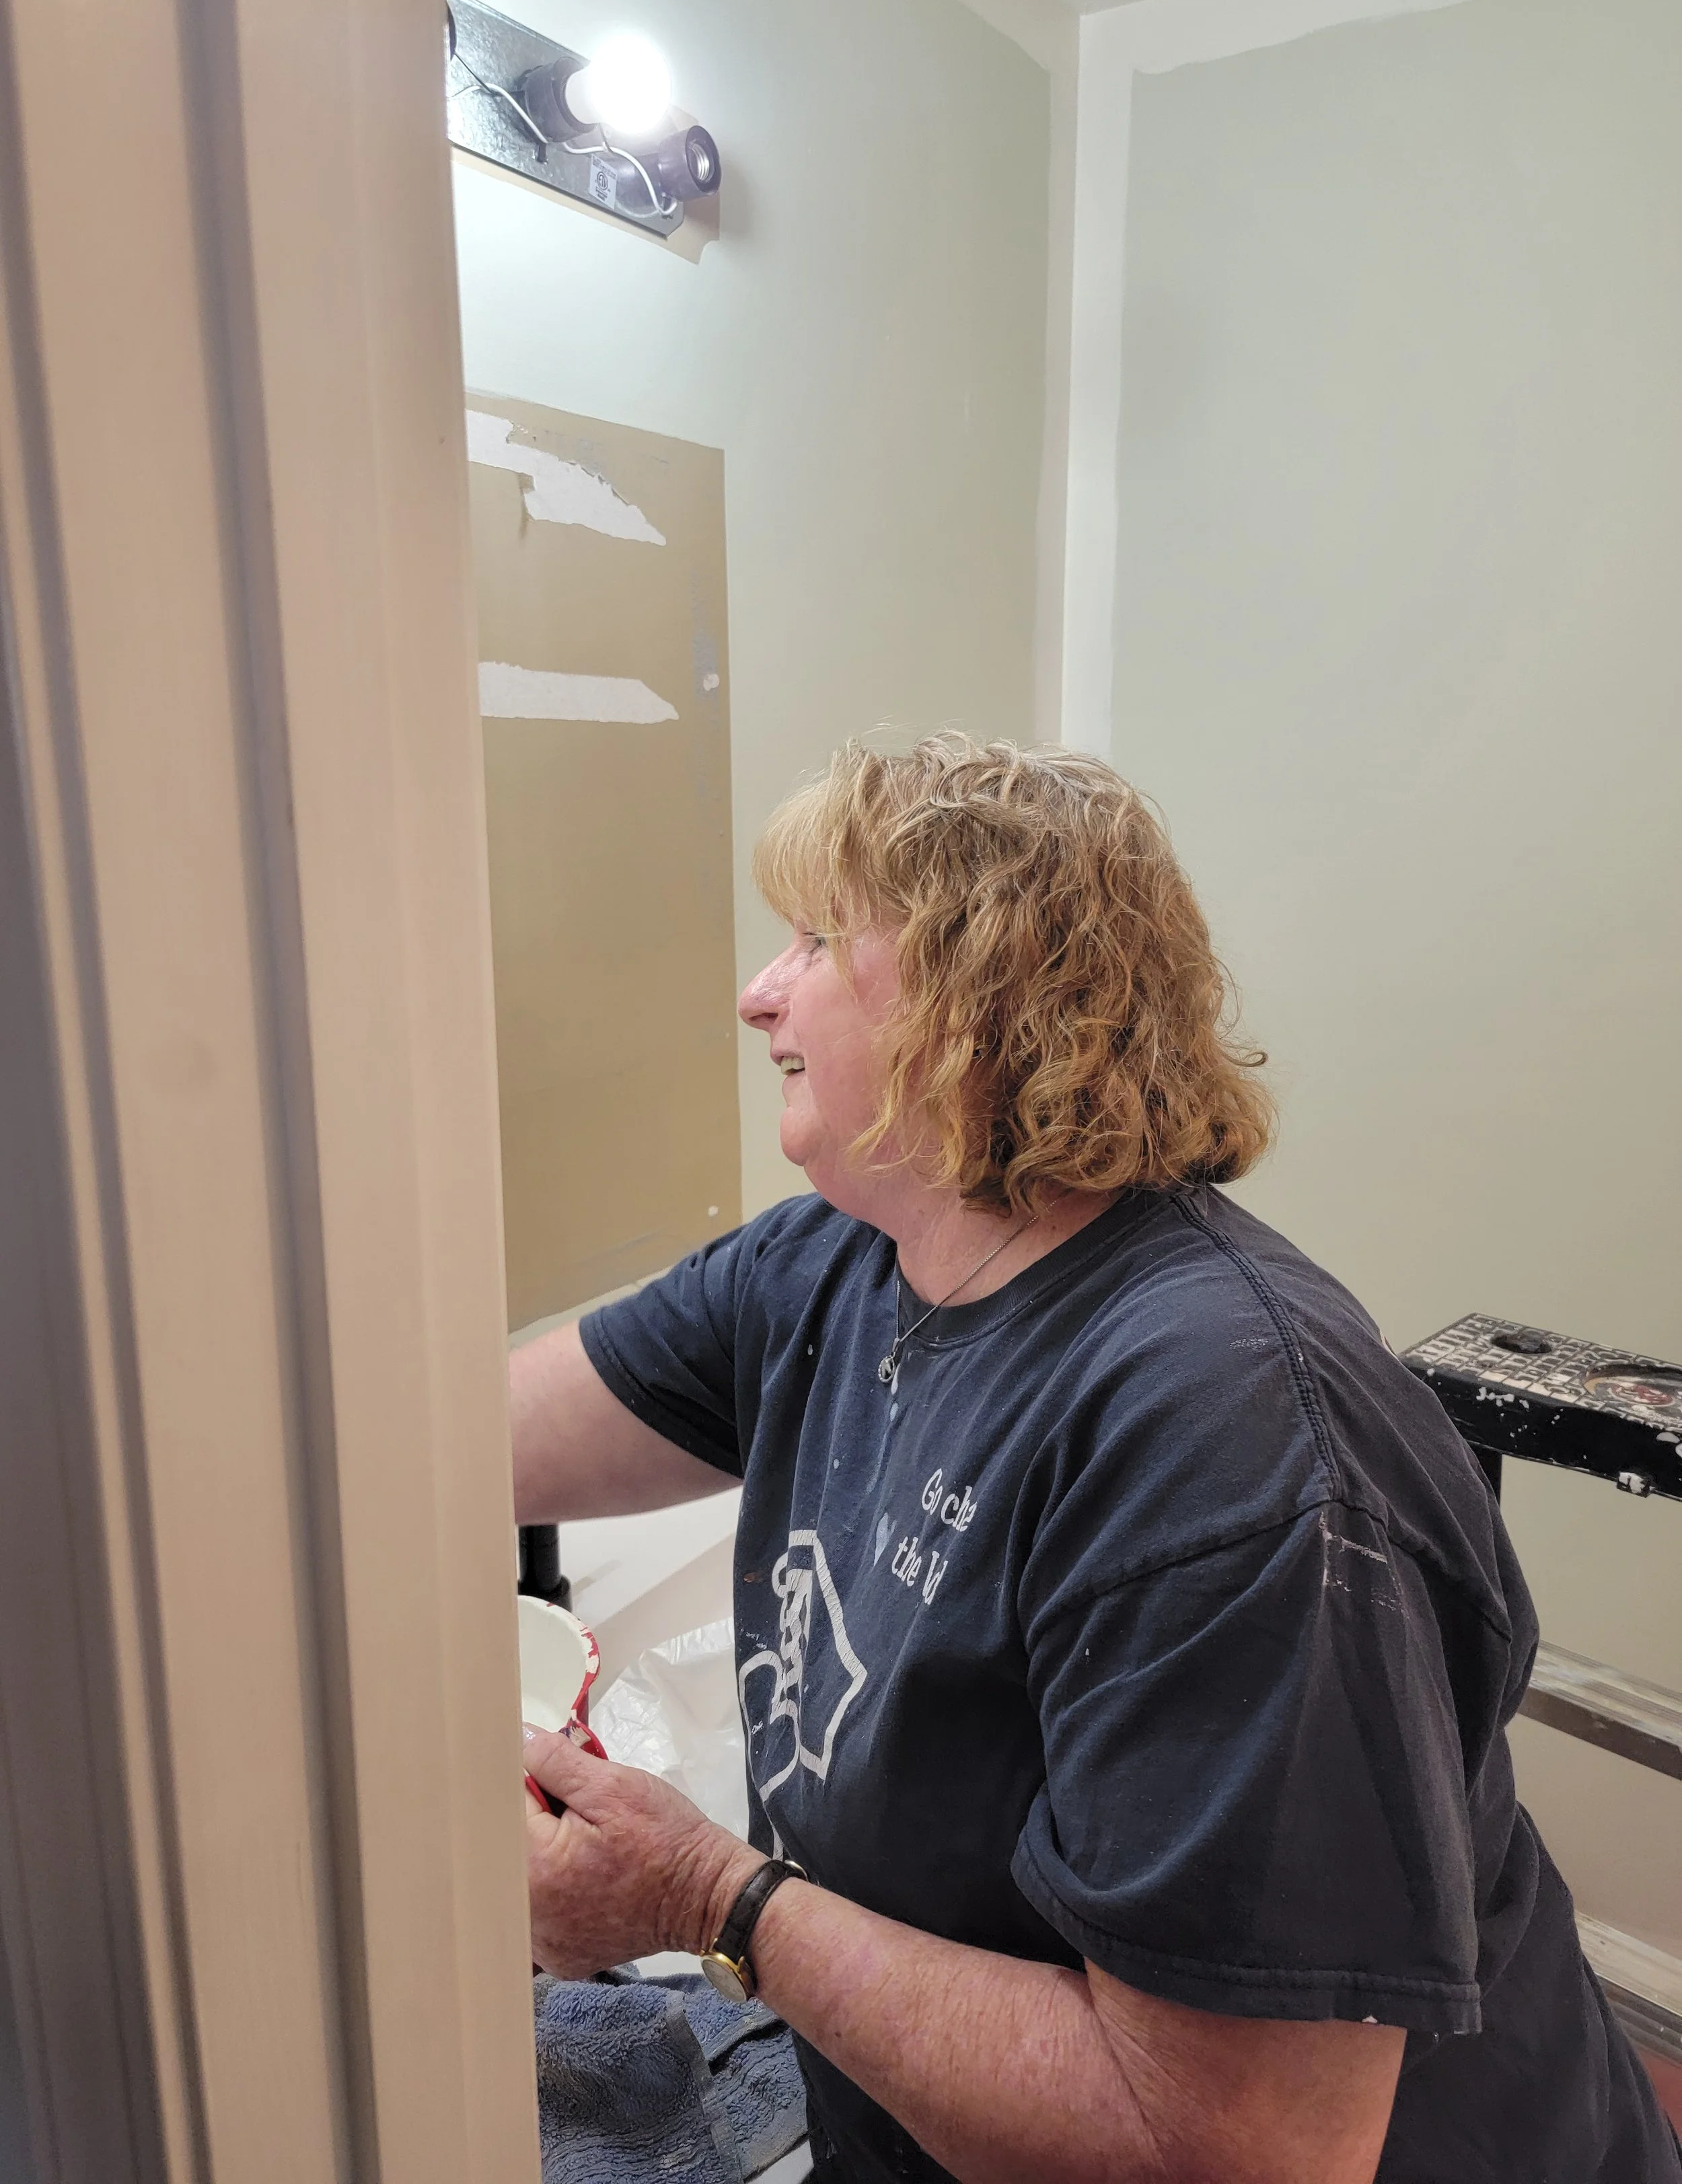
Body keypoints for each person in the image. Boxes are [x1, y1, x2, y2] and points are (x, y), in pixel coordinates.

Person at [513, 735, 1679, 2184]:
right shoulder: (827, 1266)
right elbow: (469, 1443)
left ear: (972, 997)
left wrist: (713, 1898)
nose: (756, 991)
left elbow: (1231, 2150)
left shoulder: (1226, 1436)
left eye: (814, 937)